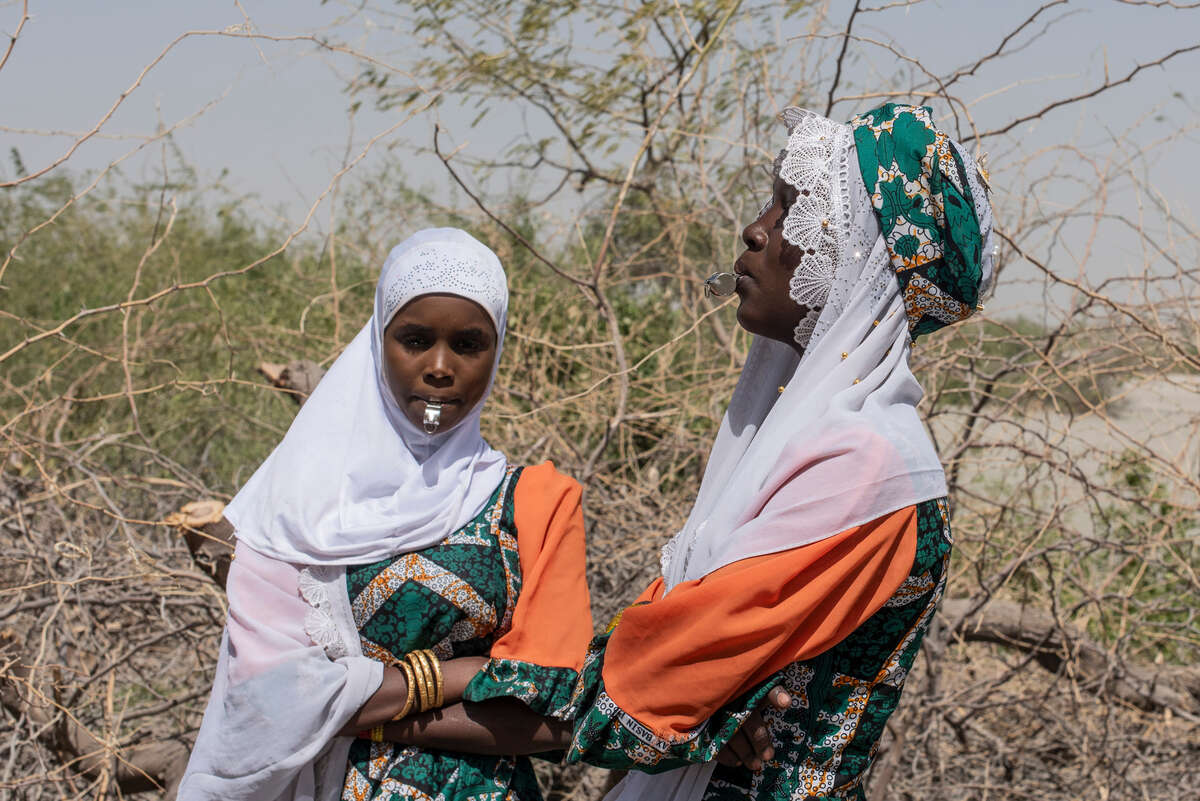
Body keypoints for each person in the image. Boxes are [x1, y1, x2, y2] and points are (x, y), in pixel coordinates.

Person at [559, 103, 995, 800]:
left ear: (853, 257)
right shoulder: (821, 442)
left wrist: (407, 695)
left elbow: (653, 673)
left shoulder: (869, 465)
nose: (755, 228)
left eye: (791, 207)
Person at [179, 228, 594, 801]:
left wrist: (350, 708)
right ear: (378, 341)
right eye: (415, 339)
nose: (440, 367)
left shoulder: (536, 502)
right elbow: (267, 698)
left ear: (496, 354)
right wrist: (461, 675)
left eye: (469, 345)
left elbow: (551, 712)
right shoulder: (293, 507)